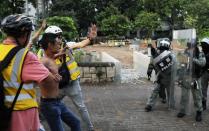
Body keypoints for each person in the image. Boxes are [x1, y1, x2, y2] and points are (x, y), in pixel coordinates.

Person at [0, 14, 60, 131]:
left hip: (3, 110)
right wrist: (53, 72)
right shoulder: (25, 56)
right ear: (25, 34)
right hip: (22, 112)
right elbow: (49, 80)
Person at [38, 25, 96, 131]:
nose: (60, 40)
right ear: (49, 41)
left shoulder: (66, 46)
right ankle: (37, 123)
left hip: (71, 83)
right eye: (57, 37)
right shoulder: (42, 54)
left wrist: (90, 38)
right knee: (48, 106)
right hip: (56, 87)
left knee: (80, 108)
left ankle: (90, 128)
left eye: (60, 37)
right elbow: (39, 67)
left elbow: (81, 43)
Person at [38, 32, 81, 131]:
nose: (59, 46)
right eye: (57, 44)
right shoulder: (43, 61)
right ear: (49, 45)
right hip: (49, 105)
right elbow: (33, 73)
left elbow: (56, 56)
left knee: (76, 123)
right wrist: (50, 75)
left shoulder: (52, 57)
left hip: (57, 102)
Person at [177, 39, 205, 122]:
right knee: (184, 96)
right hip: (186, 77)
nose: (190, 47)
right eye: (189, 45)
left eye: (191, 46)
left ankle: (199, 111)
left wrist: (192, 59)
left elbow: (203, 63)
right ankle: (182, 111)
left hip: (195, 77)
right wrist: (180, 78)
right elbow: (181, 65)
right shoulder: (185, 52)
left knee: (197, 96)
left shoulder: (199, 52)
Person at [145, 38, 176, 112]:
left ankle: (171, 105)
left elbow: (174, 67)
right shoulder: (157, 54)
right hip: (160, 75)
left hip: (169, 76)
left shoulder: (171, 56)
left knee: (170, 92)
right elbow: (153, 63)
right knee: (155, 91)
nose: (162, 49)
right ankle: (149, 105)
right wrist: (149, 71)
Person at [200, 38, 209, 110]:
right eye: (202, 45)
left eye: (204, 44)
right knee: (203, 89)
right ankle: (204, 103)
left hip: (206, 71)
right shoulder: (202, 53)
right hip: (205, 72)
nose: (203, 46)